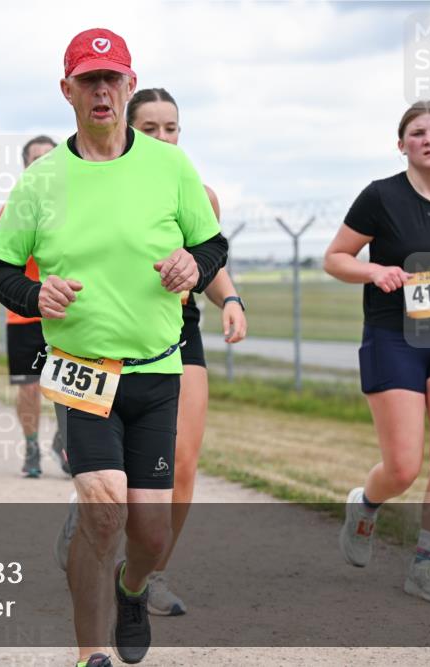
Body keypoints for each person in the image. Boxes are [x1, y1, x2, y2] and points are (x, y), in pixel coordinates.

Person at [0, 28, 227, 666]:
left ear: (128, 84)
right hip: (82, 372)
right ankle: (91, 652)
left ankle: (133, 588)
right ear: (67, 91)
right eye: (87, 80)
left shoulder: (170, 166)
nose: (101, 91)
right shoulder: (41, 180)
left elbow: (213, 246)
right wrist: (35, 297)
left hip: (156, 371)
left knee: (148, 533)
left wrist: (193, 266)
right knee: (102, 512)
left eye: (111, 78)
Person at [325, 100, 430, 603]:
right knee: (404, 467)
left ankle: (426, 565)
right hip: (394, 337)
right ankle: (366, 505)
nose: (428, 139)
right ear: (402, 144)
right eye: (417, 132)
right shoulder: (380, 197)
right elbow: (335, 258)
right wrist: (373, 271)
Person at [122, 87, 248, 615]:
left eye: (170, 128)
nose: (162, 137)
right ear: (128, 131)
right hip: (112, 336)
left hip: (178, 332)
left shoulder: (199, 193)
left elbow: (211, 263)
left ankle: (150, 575)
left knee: (180, 463)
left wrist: (231, 299)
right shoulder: (101, 188)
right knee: (116, 468)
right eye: (149, 128)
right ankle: (92, 521)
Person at [0, 135, 69, 477]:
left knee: (70, 389)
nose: (43, 165)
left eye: (50, 158)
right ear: (25, 167)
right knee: (29, 386)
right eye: (36, 160)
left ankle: (65, 443)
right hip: (24, 314)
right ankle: (32, 446)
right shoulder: (15, 208)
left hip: (68, 314)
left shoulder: (77, 204)